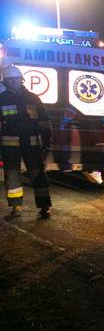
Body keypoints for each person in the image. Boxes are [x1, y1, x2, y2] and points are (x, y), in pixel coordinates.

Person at [0, 65, 52, 219]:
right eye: (10, 80)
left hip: (32, 144)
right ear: (6, 82)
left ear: (21, 79)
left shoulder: (33, 98)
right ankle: (16, 206)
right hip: (10, 146)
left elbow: (44, 122)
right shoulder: (2, 99)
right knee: (12, 175)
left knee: (38, 173)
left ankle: (44, 206)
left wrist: (47, 141)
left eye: (15, 79)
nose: (13, 82)